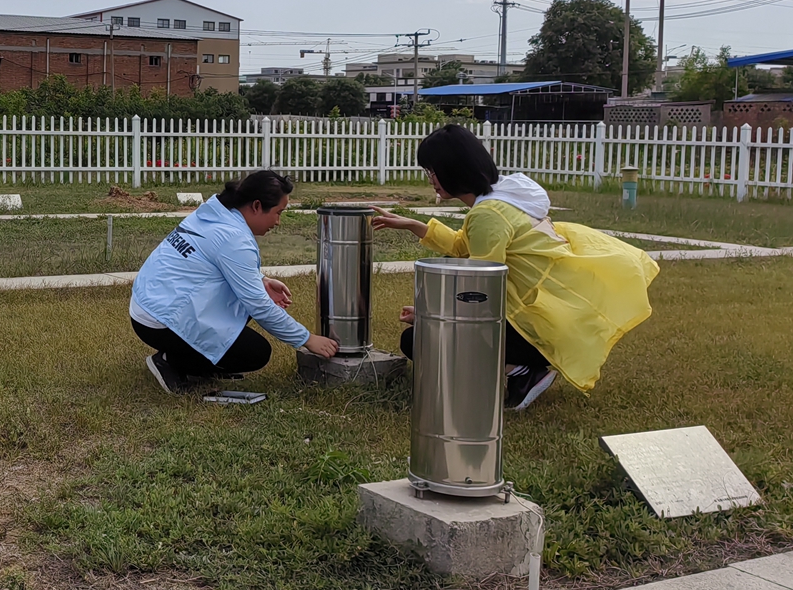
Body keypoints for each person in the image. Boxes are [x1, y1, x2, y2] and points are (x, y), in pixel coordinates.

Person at [372, 124, 659, 410]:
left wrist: (430, 315)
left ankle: (522, 371)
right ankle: (518, 366)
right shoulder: (504, 197)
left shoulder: (488, 215)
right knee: (428, 330)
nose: (431, 178)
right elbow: (463, 246)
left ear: (452, 169)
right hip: (554, 321)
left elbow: (479, 291)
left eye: (432, 170)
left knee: (417, 339)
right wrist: (412, 224)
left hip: (537, 332)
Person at [130, 169, 340, 394]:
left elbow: (215, 261)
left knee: (248, 304)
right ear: (257, 206)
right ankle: (170, 361)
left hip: (146, 307)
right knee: (255, 353)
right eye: (278, 212)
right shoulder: (234, 239)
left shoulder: (214, 212)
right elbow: (259, 306)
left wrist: (262, 281)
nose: (278, 222)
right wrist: (307, 339)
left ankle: (200, 361)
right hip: (161, 321)